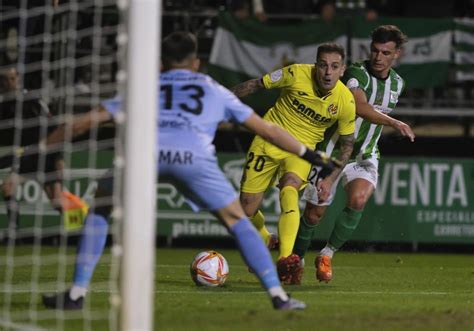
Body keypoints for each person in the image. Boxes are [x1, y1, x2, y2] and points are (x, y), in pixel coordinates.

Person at [41, 31, 341, 311]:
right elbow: (268, 129)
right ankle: (278, 296)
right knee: (238, 221)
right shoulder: (211, 89)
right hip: (194, 162)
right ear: (197, 63)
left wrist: (39, 149)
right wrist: (310, 154)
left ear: (160, 62)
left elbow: (82, 122)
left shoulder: (144, 85)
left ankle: (77, 292)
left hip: (146, 157)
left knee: (101, 206)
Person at [292, 25, 415, 284]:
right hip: (333, 152)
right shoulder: (356, 73)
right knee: (314, 214)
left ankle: (326, 255)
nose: (378, 57)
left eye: (385, 52)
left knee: (358, 200)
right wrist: (394, 122)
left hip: (365, 154)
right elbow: (359, 107)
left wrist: (387, 124)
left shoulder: (398, 83)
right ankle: (296, 260)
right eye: (375, 51)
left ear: (397, 55)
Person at [231, 43, 356, 285]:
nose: (327, 72)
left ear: (343, 70)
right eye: (322, 65)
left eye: (334, 66)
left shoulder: (345, 102)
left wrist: (330, 178)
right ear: (315, 65)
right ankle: (267, 238)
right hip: (268, 140)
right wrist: (219, 98)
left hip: (301, 150)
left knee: (290, 188)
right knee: (245, 208)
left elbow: (347, 144)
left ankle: (287, 260)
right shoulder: (295, 73)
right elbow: (256, 84)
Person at [0, 67, 87, 239]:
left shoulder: (31, 99)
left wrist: (58, 157)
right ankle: (14, 231)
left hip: (46, 154)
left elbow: (53, 127)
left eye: (12, 78)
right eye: (5, 79)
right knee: (8, 186)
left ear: (18, 79)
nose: (10, 82)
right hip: (27, 155)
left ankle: (85, 227)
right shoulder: (4, 105)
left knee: (56, 202)